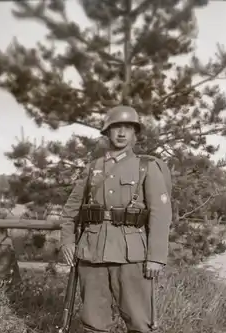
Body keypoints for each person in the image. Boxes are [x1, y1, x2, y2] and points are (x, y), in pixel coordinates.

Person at [60, 105, 172, 333]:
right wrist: (67, 241)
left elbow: (161, 215)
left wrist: (156, 257)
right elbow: (70, 210)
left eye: (128, 128)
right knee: (94, 321)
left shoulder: (146, 167)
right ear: (107, 132)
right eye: (116, 128)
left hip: (131, 256)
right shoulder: (93, 169)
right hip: (92, 253)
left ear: (135, 133)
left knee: (140, 322)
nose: (121, 133)